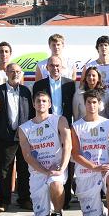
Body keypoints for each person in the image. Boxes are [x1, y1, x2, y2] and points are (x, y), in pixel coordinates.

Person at [18, 90, 72, 216]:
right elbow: (27, 156)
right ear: (33, 104)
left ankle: (57, 215)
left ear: (49, 104)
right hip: (38, 172)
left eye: (44, 101)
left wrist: (62, 168)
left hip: (56, 168)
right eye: (38, 101)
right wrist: (45, 171)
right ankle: (45, 209)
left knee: (56, 182)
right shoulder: (24, 128)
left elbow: (68, 145)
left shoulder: (60, 120)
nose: (41, 103)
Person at [71, 89, 109, 216]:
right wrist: (94, 167)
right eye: (89, 102)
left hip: (105, 168)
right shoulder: (76, 126)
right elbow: (75, 153)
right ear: (84, 104)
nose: (92, 105)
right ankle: (98, 208)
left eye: (94, 102)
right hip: (86, 170)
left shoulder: (108, 124)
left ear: (99, 104)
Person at [32, 56, 76, 207]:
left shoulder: (70, 84)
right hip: (47, 126)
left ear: (61, 67)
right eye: (52, 65)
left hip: (64, 125)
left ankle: (66, 199)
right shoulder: (39, 85)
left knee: (66, 160)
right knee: (49, 159)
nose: (55, 68)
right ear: (47, 68)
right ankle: (49, 197)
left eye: (58, 65)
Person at [0, 63, 34, 211]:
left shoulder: (26, 91)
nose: (15, 74)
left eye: (18, 71)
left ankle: (24, 199)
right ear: (6, 73)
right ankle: (4, 201)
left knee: (24, 169)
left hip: (24, 137)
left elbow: (30, 113)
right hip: (5, 137)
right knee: (5, 170)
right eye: (12, 71)